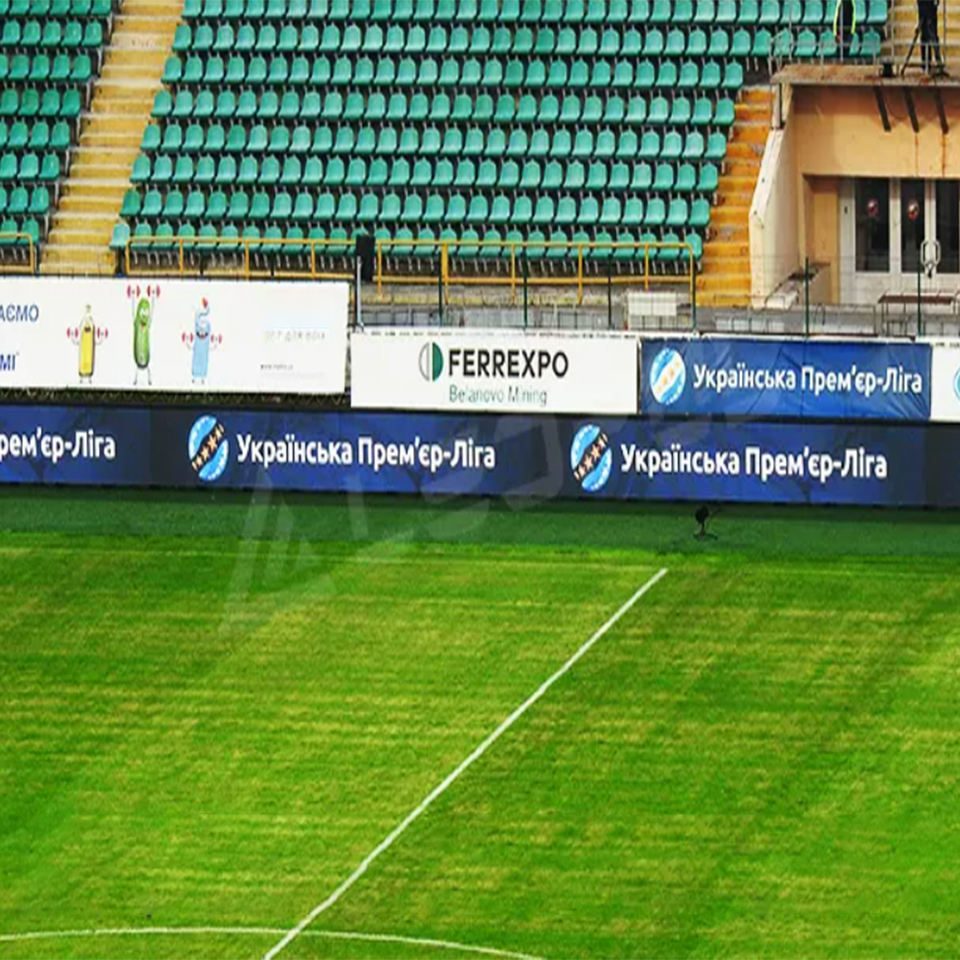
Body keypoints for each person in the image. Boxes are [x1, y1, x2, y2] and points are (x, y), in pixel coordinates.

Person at [918, 0, 945, 75]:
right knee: (929, 35)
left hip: (928, 7)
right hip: (926, 7)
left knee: (930, 35)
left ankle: (929, 63)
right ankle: (930, 62)